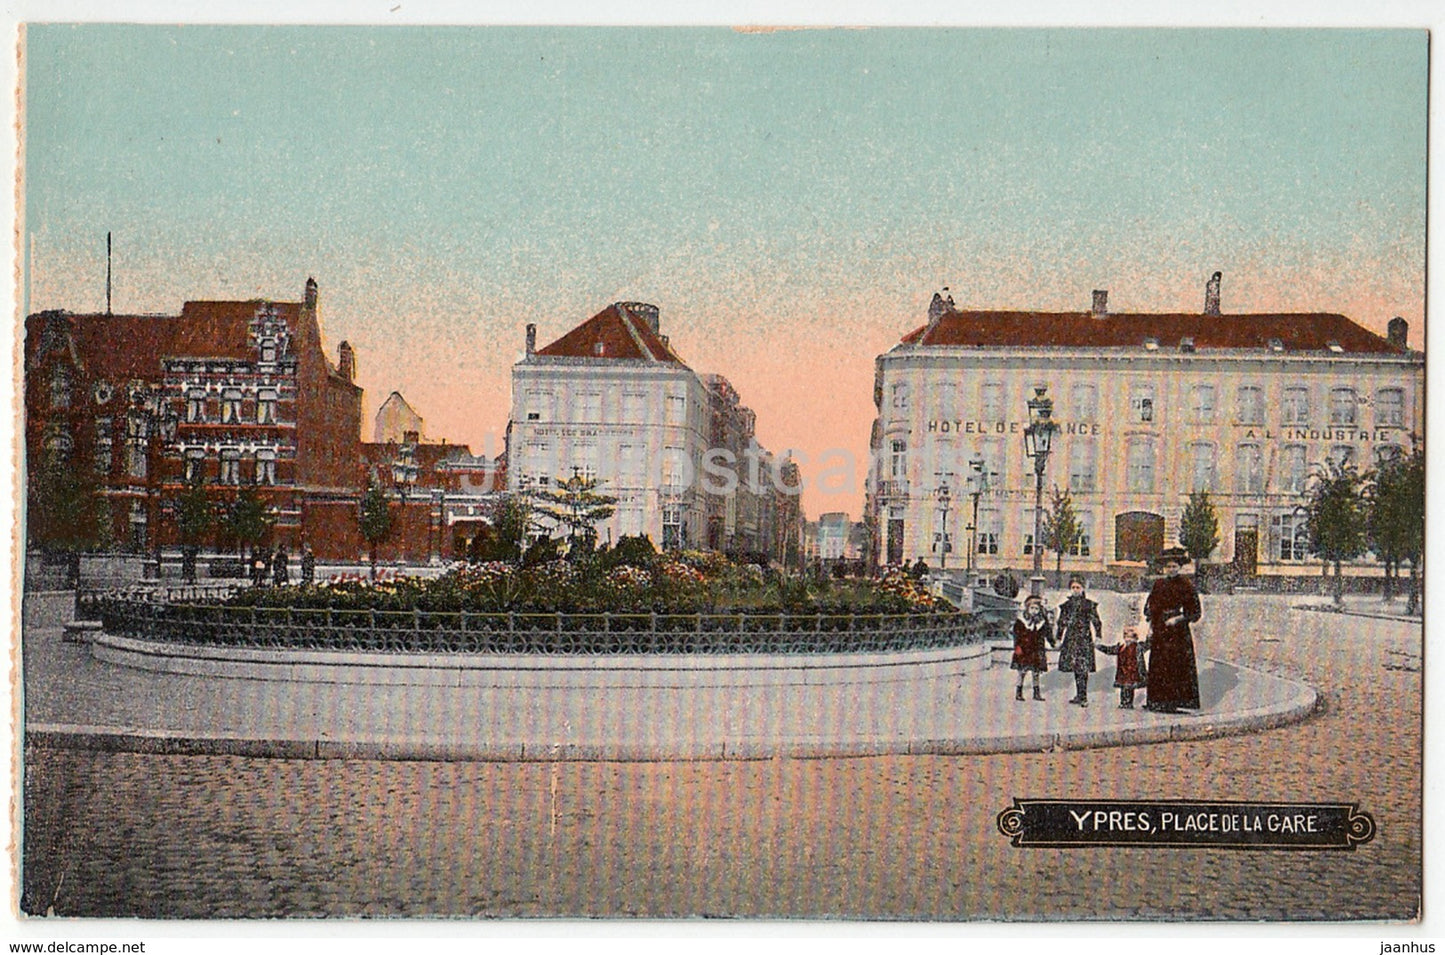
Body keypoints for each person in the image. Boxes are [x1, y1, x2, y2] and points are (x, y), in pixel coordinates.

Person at [1143, 546, 1202, 713]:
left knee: (1175, 665)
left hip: (1178, 632)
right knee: (1158, 664)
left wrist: (1177, 619)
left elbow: (1194, 611)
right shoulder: (1159, 584)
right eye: (1168, 567)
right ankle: (1156, 701)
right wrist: (1151, 627)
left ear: (1179, 568)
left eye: (1174, 567)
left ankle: (1174, 702)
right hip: (1160, 629)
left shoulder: (1186, 585)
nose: (1171, 570)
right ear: (1164, 568)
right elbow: (1151, 607)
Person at [1055, 575, 1103, 707]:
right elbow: (1061, 623)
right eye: (1073, 587)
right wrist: (1058, 638)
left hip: (1084, 638)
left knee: (1083, 667)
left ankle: (1083, 696)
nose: (1075, 590)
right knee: (1076, 667)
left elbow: (1097, 621)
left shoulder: (1089, 605)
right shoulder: (1066, 606)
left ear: (1083, 588)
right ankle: (1079, 694)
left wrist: (1098, 636)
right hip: (1071, 638)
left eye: (1078, 587)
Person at [1096, 626, 1150, 709]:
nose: (1128, 639)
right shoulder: (1122, 647)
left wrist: (1150, 636)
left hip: (1132, 671)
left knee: (1129, 687)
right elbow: (1110, 650)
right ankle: (1124, 702)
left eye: (1130, 637)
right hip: (1124, 671)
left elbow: (1148, 644)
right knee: (1124, 687)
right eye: (1126, 637)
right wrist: (1100, 647)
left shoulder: (1138, 647)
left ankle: (1128, 703)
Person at [1011, 594, 1051, 701]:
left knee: (1036, 672)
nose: (1034, 611)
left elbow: (1048, 633)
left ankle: (1036, 693)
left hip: (1036, 649)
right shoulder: (1021, 621)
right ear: (1027, 608)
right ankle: (1019, 692)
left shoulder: (1042, 621)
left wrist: (1053, 642)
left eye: (1036, 608)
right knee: (1022, 671)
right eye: (1032, 608)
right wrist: (1017, 647)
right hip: (1024, 649)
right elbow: (1016, 635)